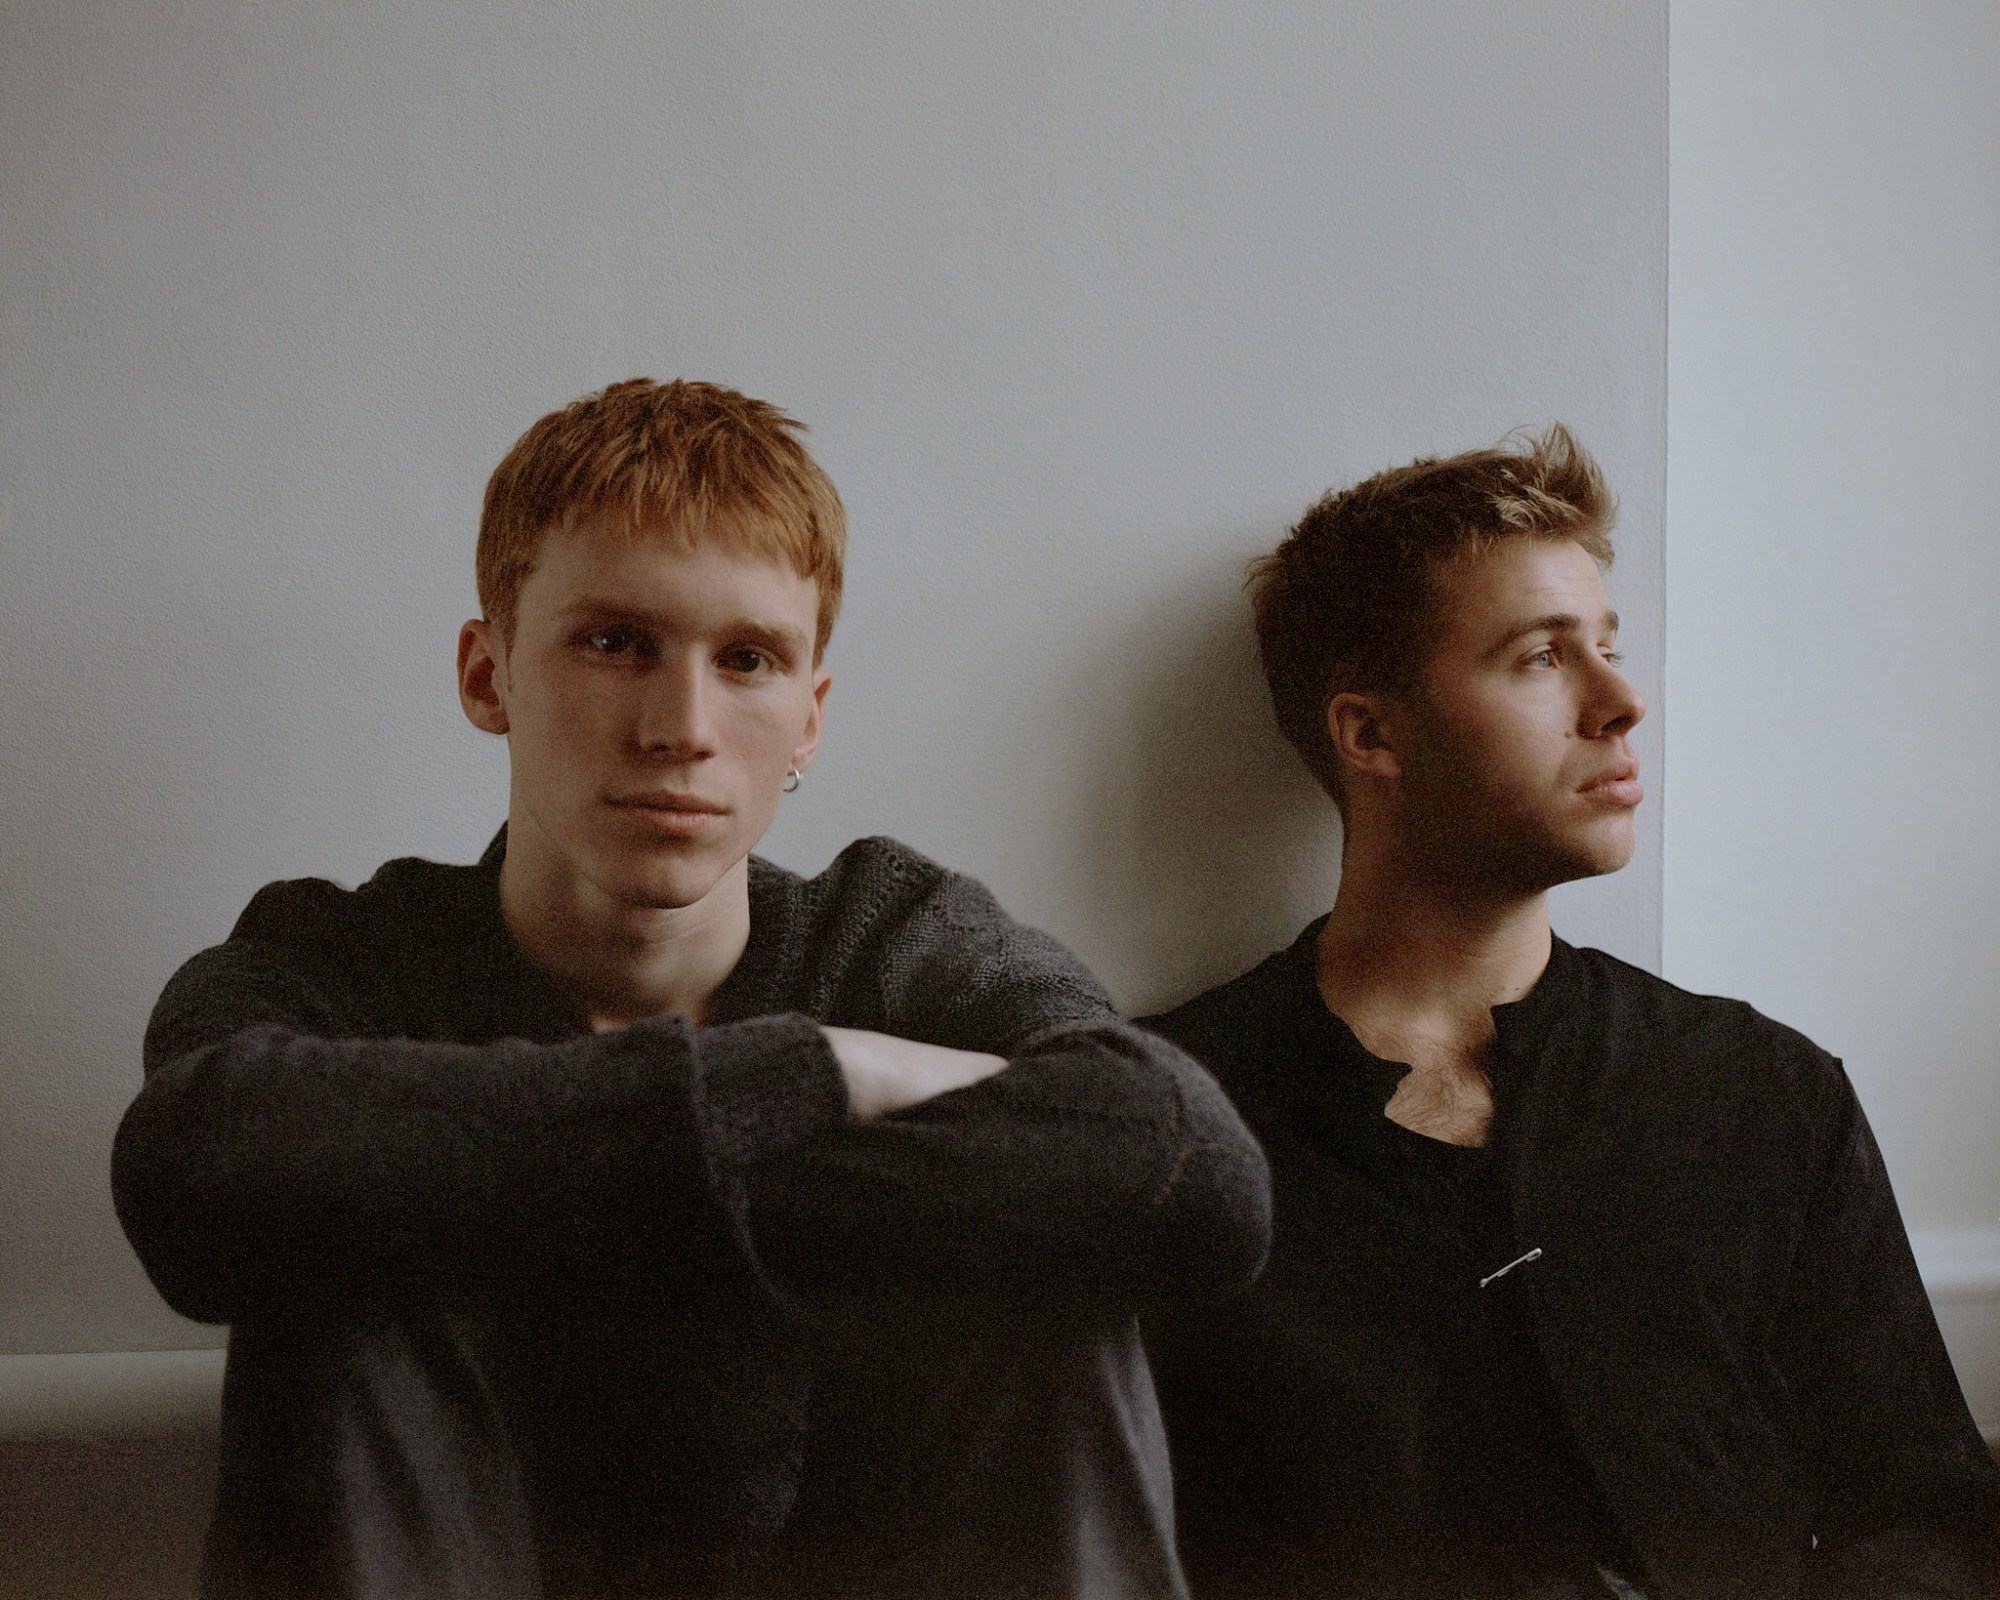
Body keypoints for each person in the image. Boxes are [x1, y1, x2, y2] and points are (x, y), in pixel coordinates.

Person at [113, 378, 1271, 1600]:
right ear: (487, 672)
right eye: (616, 643)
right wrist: (817, 1072)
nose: (682, 725)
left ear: (810, 717)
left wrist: (595, 1161)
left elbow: (1186, 1166)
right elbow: (192, 1165)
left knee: (1050, 1273)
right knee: (335, 1232)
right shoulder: (348, 956)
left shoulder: (891, 941)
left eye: (749, 659)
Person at [1142, 425, 1999, 1600]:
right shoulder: (1161, 1124)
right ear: (1370, 732)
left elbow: (1923, 1520)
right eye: (1541, 657)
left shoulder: (1758, 1093)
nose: (1620, 701)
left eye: (1606, 645)